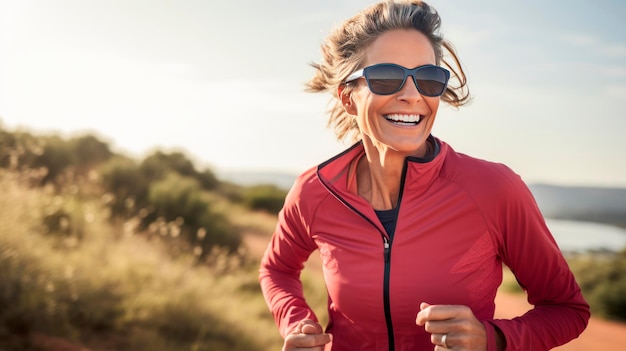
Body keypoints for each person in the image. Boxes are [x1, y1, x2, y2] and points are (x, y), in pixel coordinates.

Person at [259, 1, 590, 350]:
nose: (412, 96)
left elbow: (567, 309)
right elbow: (276, 270)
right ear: (348, 98)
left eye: (428, 80)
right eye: (387, 77)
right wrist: (297, 324)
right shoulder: (314, 192)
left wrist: (491, 339)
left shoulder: (494, 190)